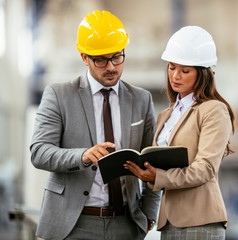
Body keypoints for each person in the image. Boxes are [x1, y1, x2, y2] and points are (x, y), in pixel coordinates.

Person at [30, 10, 160, 240]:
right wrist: (82, 156)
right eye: (101, 59)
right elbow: (39, 152)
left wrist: (149, 214)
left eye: (117, 57)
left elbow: (152, 161)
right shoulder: (59, 95)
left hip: (126, 224)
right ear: (84, 57)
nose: (111, 67)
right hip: (73, 225)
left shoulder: (142, 99)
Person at [125, 26, 235, 239]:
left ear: (202, 73)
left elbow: (205, 169)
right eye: (171, 67)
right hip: (169, 221)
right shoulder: (166, 115)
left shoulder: (213, 110)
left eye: (185, 71)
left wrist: (159, 176)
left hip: (200, 220)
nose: (175, 76)